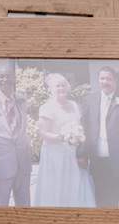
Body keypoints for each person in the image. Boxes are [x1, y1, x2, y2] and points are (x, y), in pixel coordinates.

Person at [35, 73, 97, 207]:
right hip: (54, 155)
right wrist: (62, 137)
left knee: (74, 184)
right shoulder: (46, 108)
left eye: (63, 85)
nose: (61, 88)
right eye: (58, 86)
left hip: (72, 154)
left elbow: (81, 127)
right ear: (51, 88)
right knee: (57, 186)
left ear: (68, 87)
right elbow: (43, 133)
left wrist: (78, 138)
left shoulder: (74, 105)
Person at [80, 66, 119, 207]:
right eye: (102, 78)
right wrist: (81, 153)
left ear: (115, 81)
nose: (105, 82)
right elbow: (83, 127)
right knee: (103, 199)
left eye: (108, 79)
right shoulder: (89, 100)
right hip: (98, 160)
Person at [0, 72, 32, 206]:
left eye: (9, 77)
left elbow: (23, 128)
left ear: (14, 80)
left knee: (24, 206)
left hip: (23, 163)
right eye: (1, 77)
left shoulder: (21, 100)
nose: (5, 80)